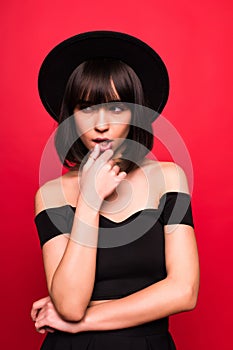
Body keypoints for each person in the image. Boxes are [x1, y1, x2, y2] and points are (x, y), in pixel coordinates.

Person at [31, 31, 199, 350]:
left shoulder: (168, 178)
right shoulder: (51, 194)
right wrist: (90, 202)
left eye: (117, 109)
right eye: (87, 108)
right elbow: (69, 304)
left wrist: (81, 322)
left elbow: (184, 291)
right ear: (71, 117)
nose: (102, 124)